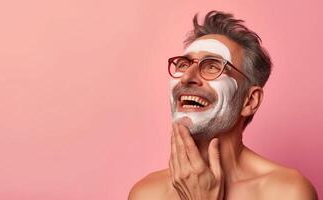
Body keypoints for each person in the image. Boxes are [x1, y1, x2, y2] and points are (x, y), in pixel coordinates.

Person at [128, 11, 318, 200]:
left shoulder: (287, 192)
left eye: (212, 66)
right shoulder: (146, 193)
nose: (187, 77)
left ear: (250, 101)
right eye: (184, 65)